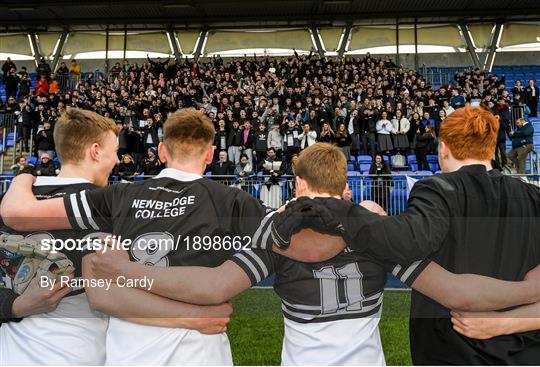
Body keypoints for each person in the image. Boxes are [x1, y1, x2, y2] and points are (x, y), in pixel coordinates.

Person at [85, 143, 539, 366]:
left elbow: (213, 288)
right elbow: (457, 291)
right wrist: (525, 292)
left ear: (296, 187)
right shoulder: (378, 234)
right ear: (347, 189)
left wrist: (125, 273)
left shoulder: (278, 236)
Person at [263, 106, 540, 365]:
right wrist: (512, 319)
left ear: (443, 149)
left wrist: (338, 209)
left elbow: (408, 241)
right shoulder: (532, 197)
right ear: (490, 149)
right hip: (526, 353)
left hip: (452, 349)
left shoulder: (438, 190)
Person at [0, 108, 269, 365]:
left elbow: (18, 213)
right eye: (114, 151)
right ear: (211, 154)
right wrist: (195, 313)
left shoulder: (115, 199)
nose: (118, 160)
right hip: (95, 354)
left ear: (162, 151)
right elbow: (103, 297)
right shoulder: (112, 204)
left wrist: (21, 179)